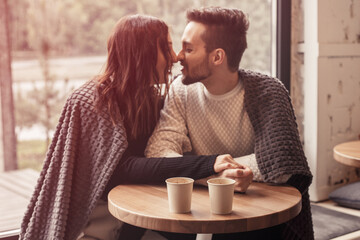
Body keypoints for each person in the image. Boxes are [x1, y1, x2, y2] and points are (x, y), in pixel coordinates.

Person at [19, 14, 246, 240]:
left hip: (139, 216)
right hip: (92, 223)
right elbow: (120, 169)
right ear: (142, 53)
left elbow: (160, 157)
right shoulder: (93, 100)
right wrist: (209, 163)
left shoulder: (152, 100)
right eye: (166, 48)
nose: (175, 57)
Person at [145, 6, 314, 240]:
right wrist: (216, 175)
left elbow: (283, 164)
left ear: (217, 57)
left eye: (189, 49)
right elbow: (157, 151)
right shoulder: (180, 90)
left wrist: (207, 172)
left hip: (256, 211)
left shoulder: (268, 91)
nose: (178, 57)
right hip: (200, 207)